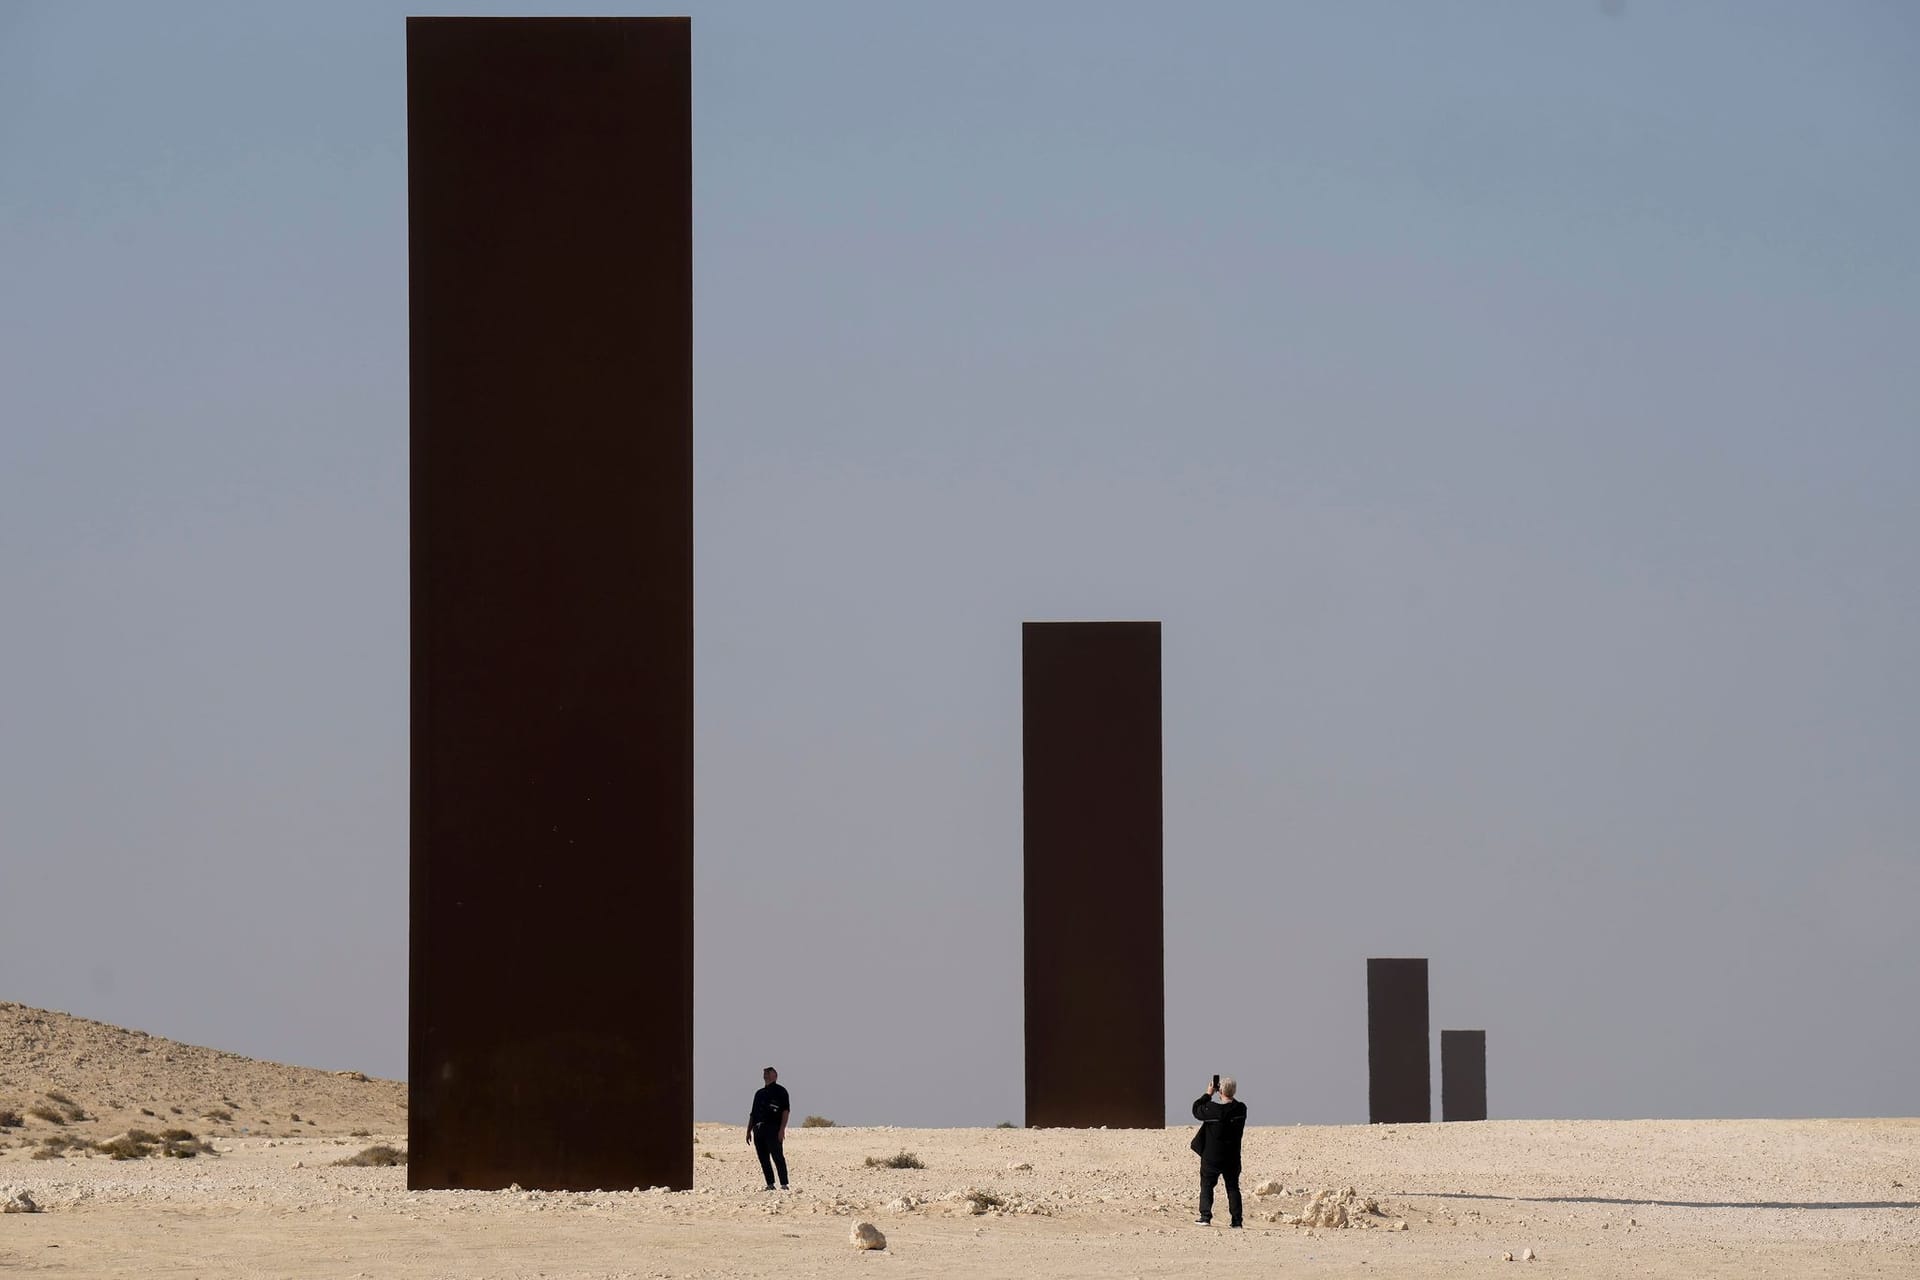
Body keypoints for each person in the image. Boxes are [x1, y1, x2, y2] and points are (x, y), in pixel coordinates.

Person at [1192, 1076, 1247, 1227]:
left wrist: (1208, 1094)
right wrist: (1225, 1093)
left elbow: (1196, 1109)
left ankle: (1205, 1216)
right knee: (1233, 1187)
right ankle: (1236, 1221)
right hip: (1232, 1157)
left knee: (1207, 1185)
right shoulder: (1241, 1109)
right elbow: (1231, 1105)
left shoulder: (1212, 1110)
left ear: (1219, 1090)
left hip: (1212, 1157)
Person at [746, 1066, 791, 1191]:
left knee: (777, 1156)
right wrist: (749, 1130)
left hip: (773, 1129)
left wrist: (782, 1129)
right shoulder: (759, 1093)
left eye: (768, 1073)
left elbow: (785, 1111)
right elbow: (753, 1113)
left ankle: (784, 1184)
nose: (765, 1075)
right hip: (758, 1129)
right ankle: (770, 1184)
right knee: (763, 1158)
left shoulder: (781, 1091)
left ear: (775, 1076)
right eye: (764, 1073)